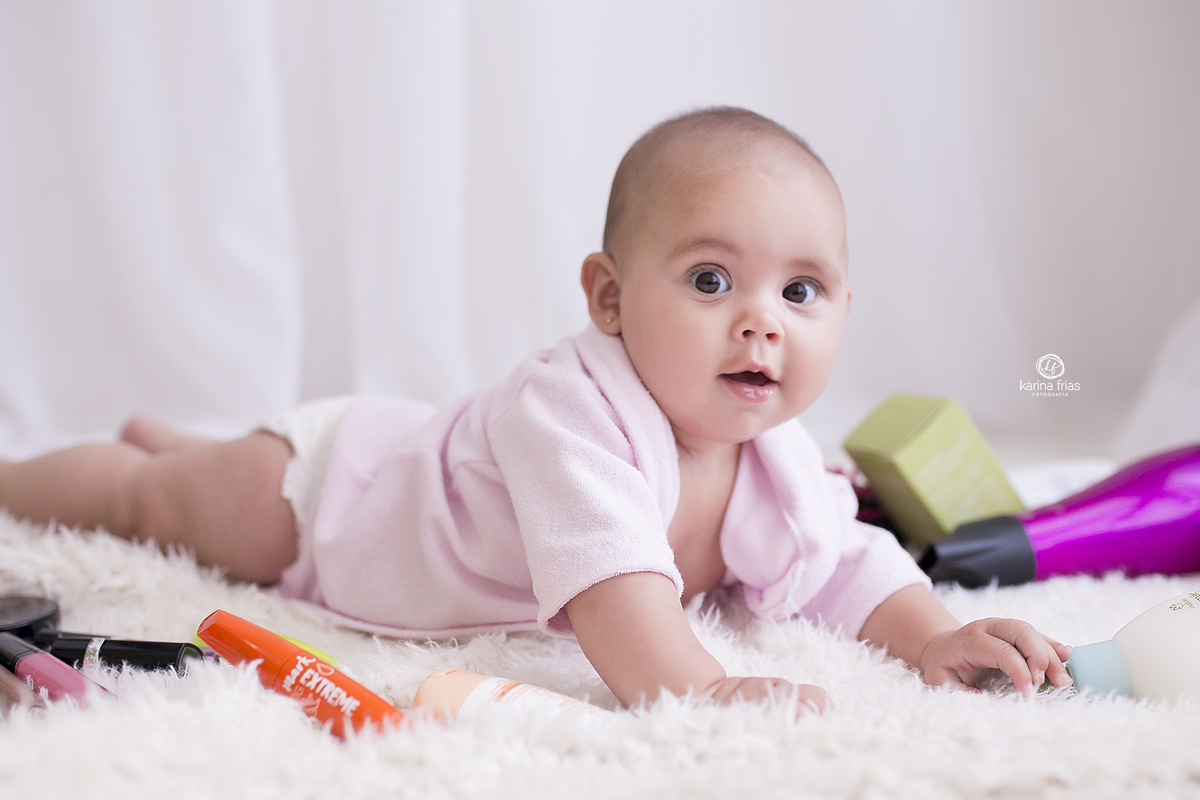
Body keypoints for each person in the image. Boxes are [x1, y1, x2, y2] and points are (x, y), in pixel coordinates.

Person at [0, 107, 1072, 714]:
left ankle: (184, 440)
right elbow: (620, 602)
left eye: (801, 292)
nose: (761, 324)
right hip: (336, 495)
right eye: (710, 280)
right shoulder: (572, 410)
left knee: (191, 468)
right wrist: (703, 688)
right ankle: (71, 466)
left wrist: (934, 633)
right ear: (608, 295)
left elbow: (841, 561)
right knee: (162, 502)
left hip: (435, 459)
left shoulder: (773, 448)